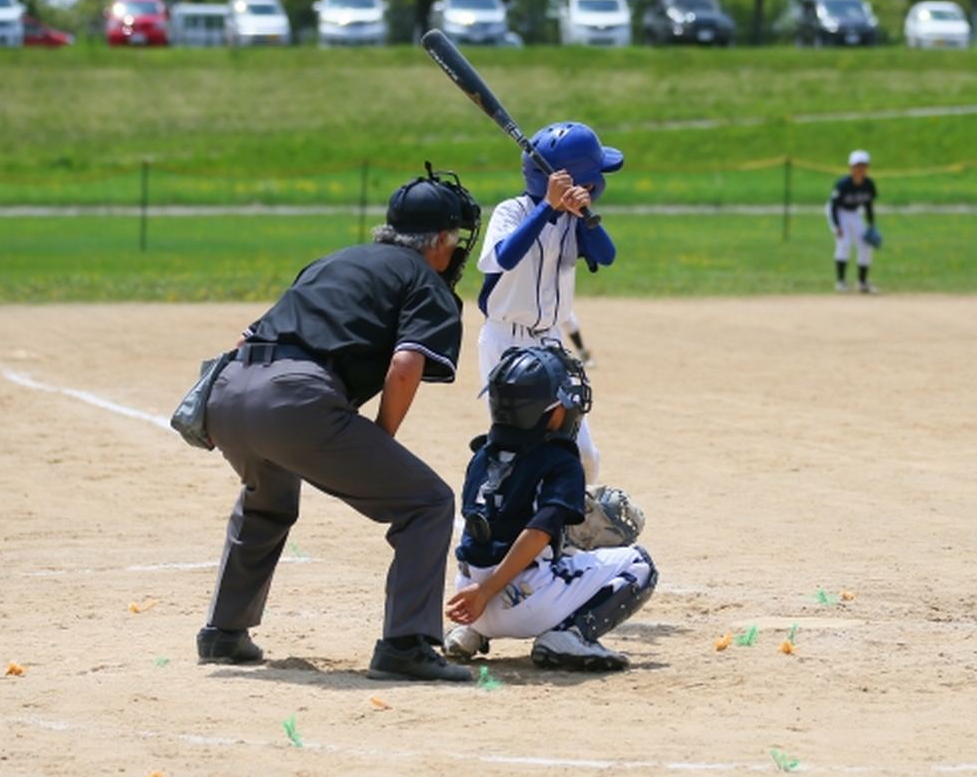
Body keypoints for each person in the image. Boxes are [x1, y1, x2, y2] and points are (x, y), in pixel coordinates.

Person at [194, 165, 481, 683]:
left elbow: (247, 336)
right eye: (455, 239)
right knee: (427, 502)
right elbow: (404, 365)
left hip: (230, 389)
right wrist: (381, 437)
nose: (455, 251)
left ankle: (223, 633)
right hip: (296, 400)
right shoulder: (426, 282)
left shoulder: (334, 260)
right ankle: (406, 644)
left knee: (267, 501)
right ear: (439, 240)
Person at [443, 344, 657, 671]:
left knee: (502, 534)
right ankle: (570, 635)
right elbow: (537, 533)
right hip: (522, 603)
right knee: (640, 563)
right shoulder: (560, 459)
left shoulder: (481, 454)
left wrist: (481, 593)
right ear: (553, 411)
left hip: (470, 602)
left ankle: (471, 635)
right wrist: (487, 592)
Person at [476, 121, 622, 484]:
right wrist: (546, 208)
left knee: (583, 455)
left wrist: (584, 217)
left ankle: (566, 528)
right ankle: (485, 516)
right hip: (506, 342)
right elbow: (504, 257)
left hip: (551, 343)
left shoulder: (575, 222)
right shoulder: (511, 211)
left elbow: (607, 256)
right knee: (513, 448)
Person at [827, 149, 878, 294]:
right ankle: (841, 282)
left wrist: (871, 224)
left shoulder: (868, 184)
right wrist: (837, 226)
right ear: (851, 167)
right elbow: (833, 206)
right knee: (844, 244)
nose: (860, 169)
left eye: (863, 165)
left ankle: (862, 282)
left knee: (866, 244)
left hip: (854, 213)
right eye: (857, 166)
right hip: (837, 212)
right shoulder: (843, 184)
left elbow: (868, 206)